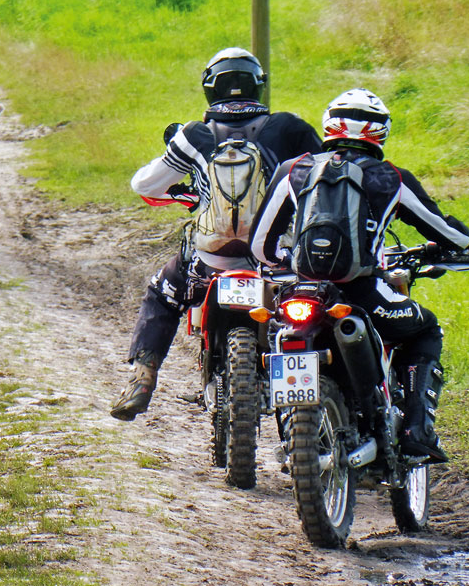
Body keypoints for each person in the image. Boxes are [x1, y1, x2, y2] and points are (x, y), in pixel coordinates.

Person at [249, 88, 469, 463]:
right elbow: (450, 236)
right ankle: (417, 430)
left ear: (329, 125)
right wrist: (459, 240)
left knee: (278, 338)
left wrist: (287, 262)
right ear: (380, 131)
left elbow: (260, 246)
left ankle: (291, 431)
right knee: (425, 329)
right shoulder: (391, 179)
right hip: (363, 292)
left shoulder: (294, 169)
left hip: (302, 292)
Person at [110, 47, 321, 421]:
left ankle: (142, 378)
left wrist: (194, 196)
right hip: (275, 261)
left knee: (162, 293)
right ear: (259, 86)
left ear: (210, 88)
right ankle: (309, 421)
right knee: (305, 316)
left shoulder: (195, 135)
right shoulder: (290, 129)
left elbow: (144, 184)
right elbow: (321, 186)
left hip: (211, 260)